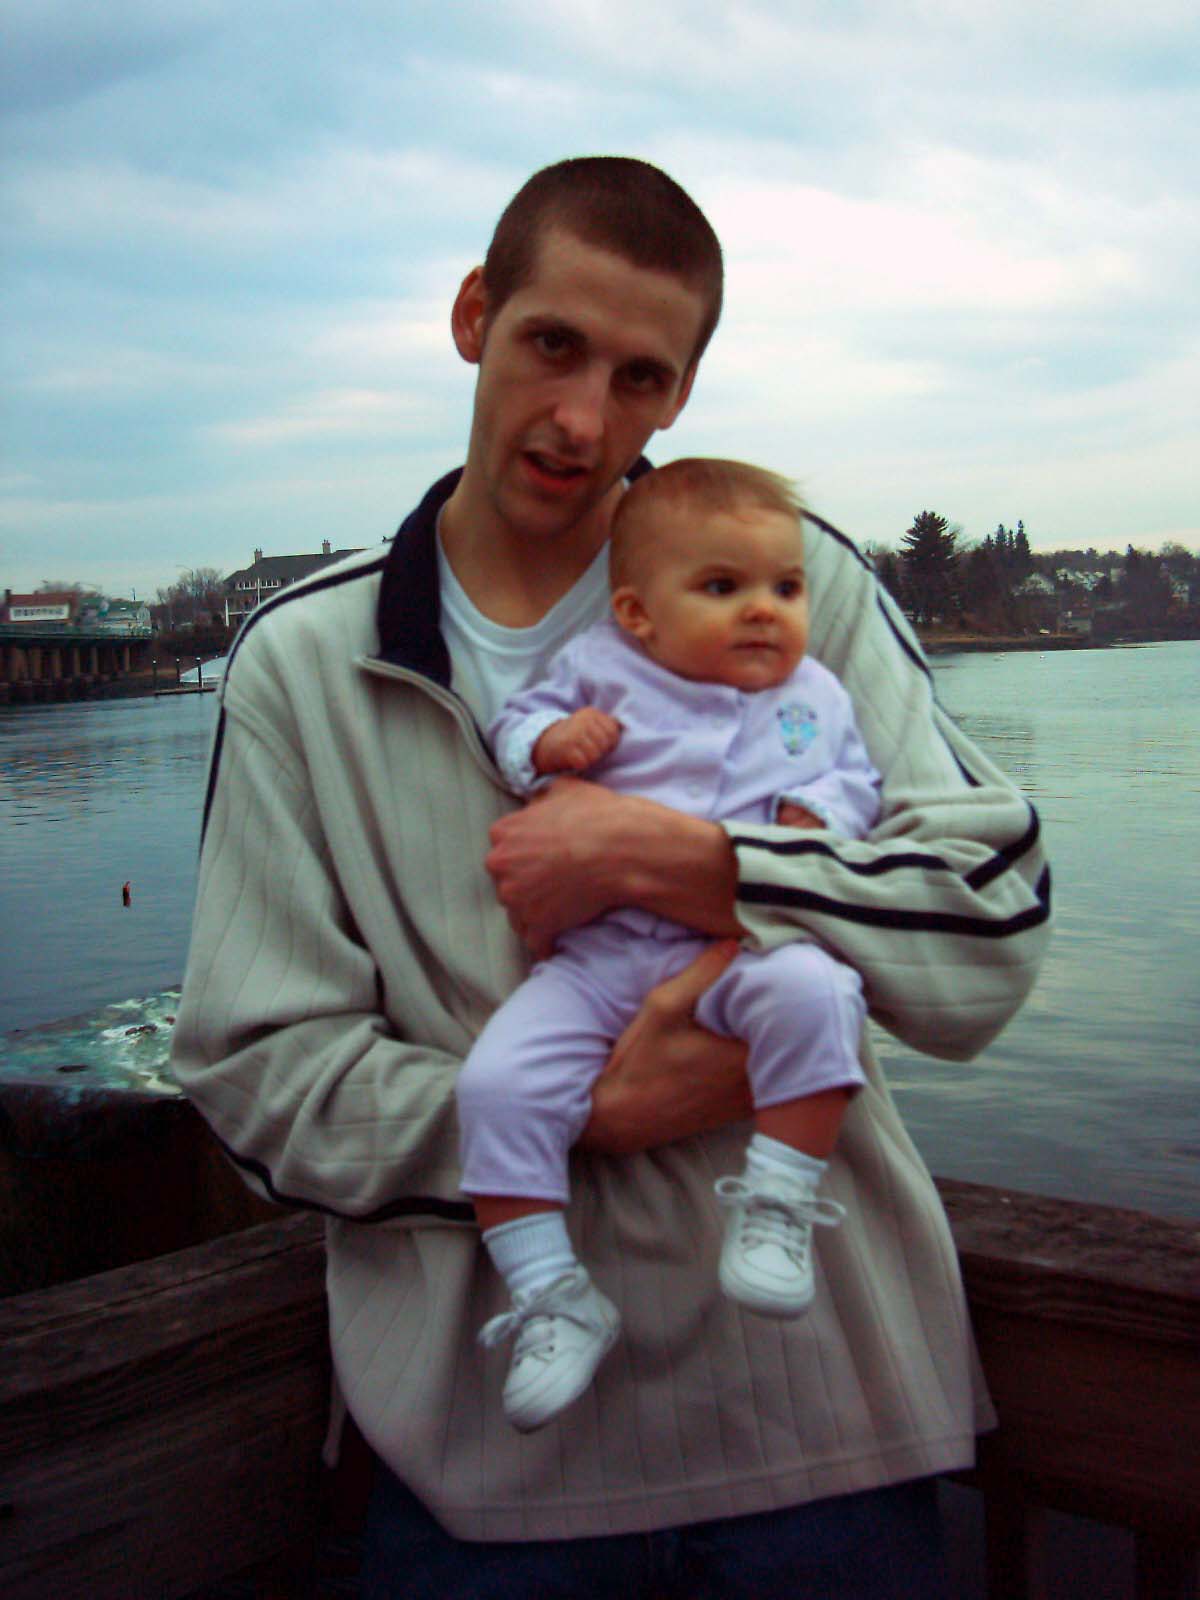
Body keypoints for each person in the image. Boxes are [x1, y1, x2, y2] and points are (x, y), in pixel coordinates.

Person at [171, 156, 1051, 1599]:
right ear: (474, 315)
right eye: (552, 344)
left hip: (821, 1441)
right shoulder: (303, 663)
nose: (584, 419)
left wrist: (688, 863)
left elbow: (991, 928)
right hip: (486, 1481)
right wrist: (589, 1112)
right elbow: (258, 1068)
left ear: (681, 394)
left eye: (640, 377)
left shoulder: (789, 586)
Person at [460, 458, 881, 1433]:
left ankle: (779, 1199)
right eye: (723, 587)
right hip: (599, 959)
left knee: (821, 994)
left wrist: (820, 812)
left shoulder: (816, 694)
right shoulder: (600, 668)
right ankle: (552, 1292)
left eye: (786, 587)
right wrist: (549, 743)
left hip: (741, 946)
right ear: (638, 614)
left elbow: (857, 785)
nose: (765, 610)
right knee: (494, 1085)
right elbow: (515, 724)